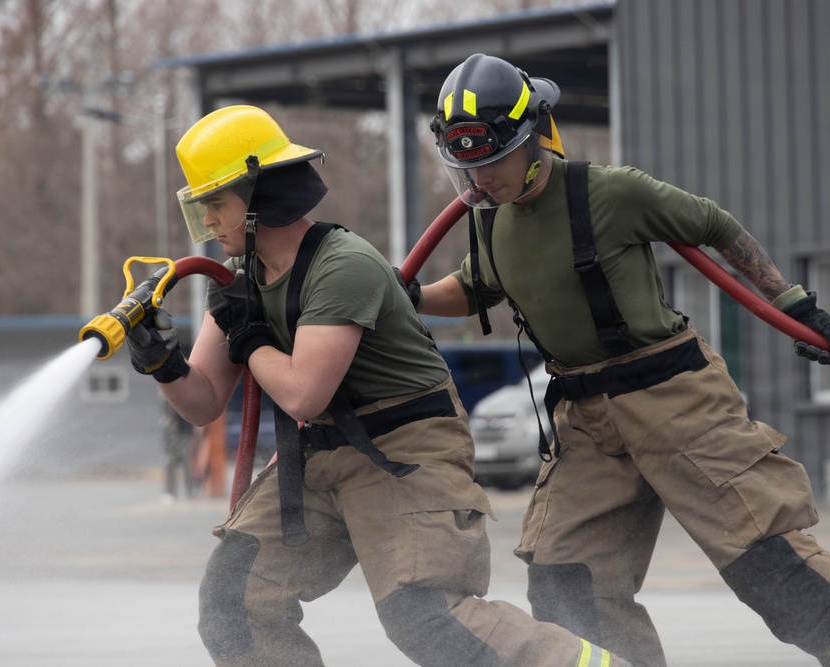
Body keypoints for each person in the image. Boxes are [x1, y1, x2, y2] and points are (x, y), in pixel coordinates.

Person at [413, 53, 830, 667]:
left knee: (774, 571)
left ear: (532, 136)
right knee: (568, 583)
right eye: (468, 169)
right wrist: (410, 296)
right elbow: (475, 286)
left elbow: (715, 225)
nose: (479, 182)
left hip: (674, 398)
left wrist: (791, 303)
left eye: (491, 163)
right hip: (584, 419)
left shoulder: (609, 193)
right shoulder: (488, 220)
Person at [122, 103, 633, 667]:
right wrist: (162, 362)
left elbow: (301, 393)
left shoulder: (343, 266)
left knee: (428, 615)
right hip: (320, 455)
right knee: (233, 602)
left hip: (408, 448)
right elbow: (203, 404)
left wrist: (250, 340)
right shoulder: (241, 286)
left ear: (259, 196)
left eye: (217, 204)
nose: (210, 223)